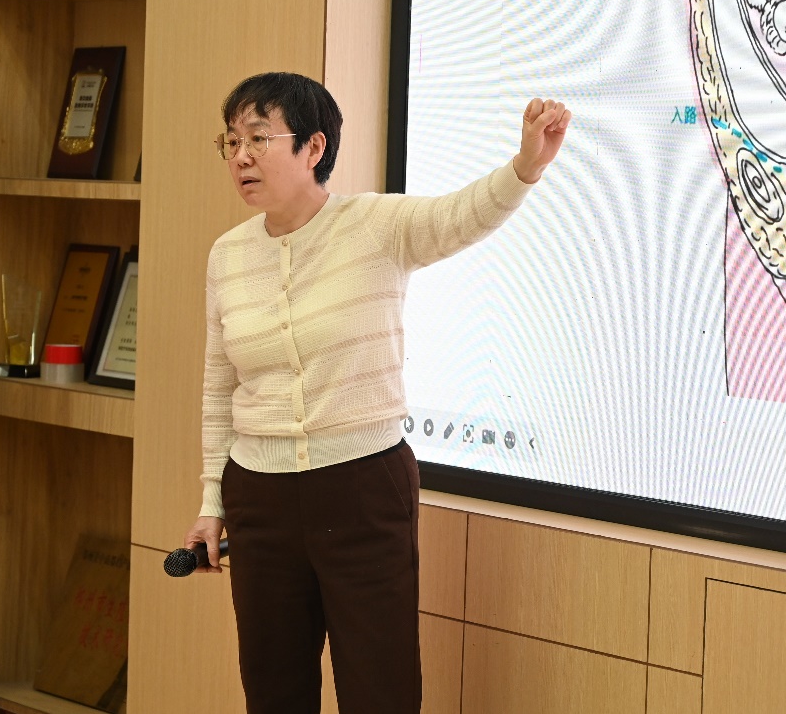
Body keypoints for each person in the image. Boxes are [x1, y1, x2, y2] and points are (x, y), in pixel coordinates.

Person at [184, 72, 571, 713]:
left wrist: (526, 166)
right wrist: (211, 501)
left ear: (313, 147)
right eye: (231, 142)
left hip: (361, 488)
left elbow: (462, 214)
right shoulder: (228, 256)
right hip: (260, 497)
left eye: (258, 137)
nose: (241, 156)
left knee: (379, 690)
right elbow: (219, 384)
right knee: (273, 691)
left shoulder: (375, 226)